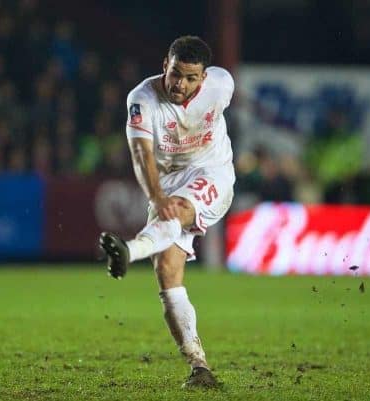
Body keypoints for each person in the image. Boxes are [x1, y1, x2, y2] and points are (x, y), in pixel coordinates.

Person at [99, 36, 235, 388]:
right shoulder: (141, 99)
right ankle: (199, 366)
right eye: (176, 74)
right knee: (167, 271)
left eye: (191, 78)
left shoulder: (222, 85)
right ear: (165, 65)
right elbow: (141, 154)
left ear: (204, 78)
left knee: (177, 213)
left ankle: (131, 249)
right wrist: (157, 196)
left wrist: (165, 203)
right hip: (168, 183)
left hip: (211, 173)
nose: (181, 84)